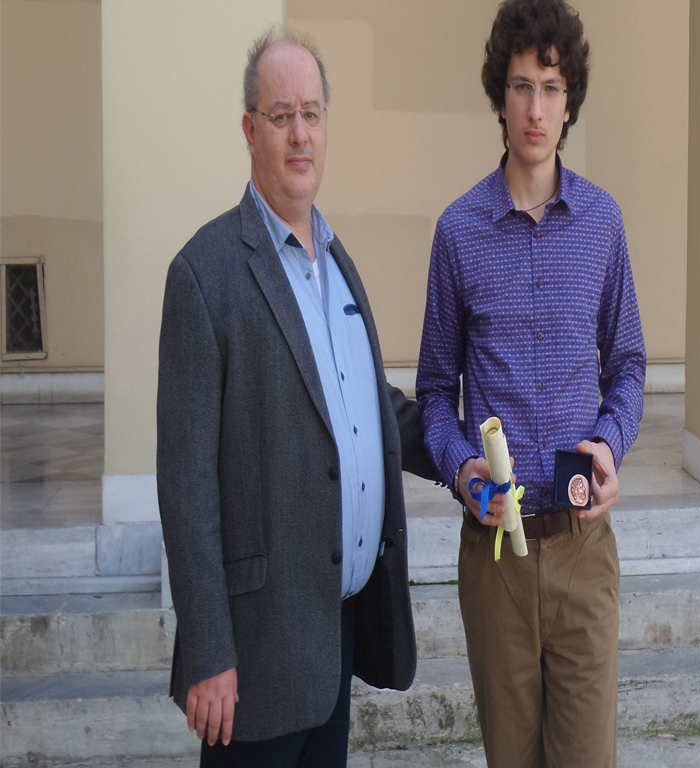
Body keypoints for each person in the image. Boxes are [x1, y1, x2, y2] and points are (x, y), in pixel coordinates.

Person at [156, 27, 435, 767]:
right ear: (251, 131)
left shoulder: (336, 263)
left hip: (334, 633)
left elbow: (364, 407)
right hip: (255, 655)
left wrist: (458, 454)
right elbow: (185, 485)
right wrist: (209, 652)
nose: (300, 134)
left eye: (311, 113)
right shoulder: (204, 275)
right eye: (281, 116)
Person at [415, 1, 646, 766]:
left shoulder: (603, 224)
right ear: (500, 97)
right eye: (521, 87)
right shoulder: (458, 232)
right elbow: (433, 393)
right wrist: (462, 470)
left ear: (569, 100)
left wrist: (609, 445)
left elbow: (629, 366)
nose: (536, 108)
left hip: (583, 550)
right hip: (496, 563)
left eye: (550, 87)